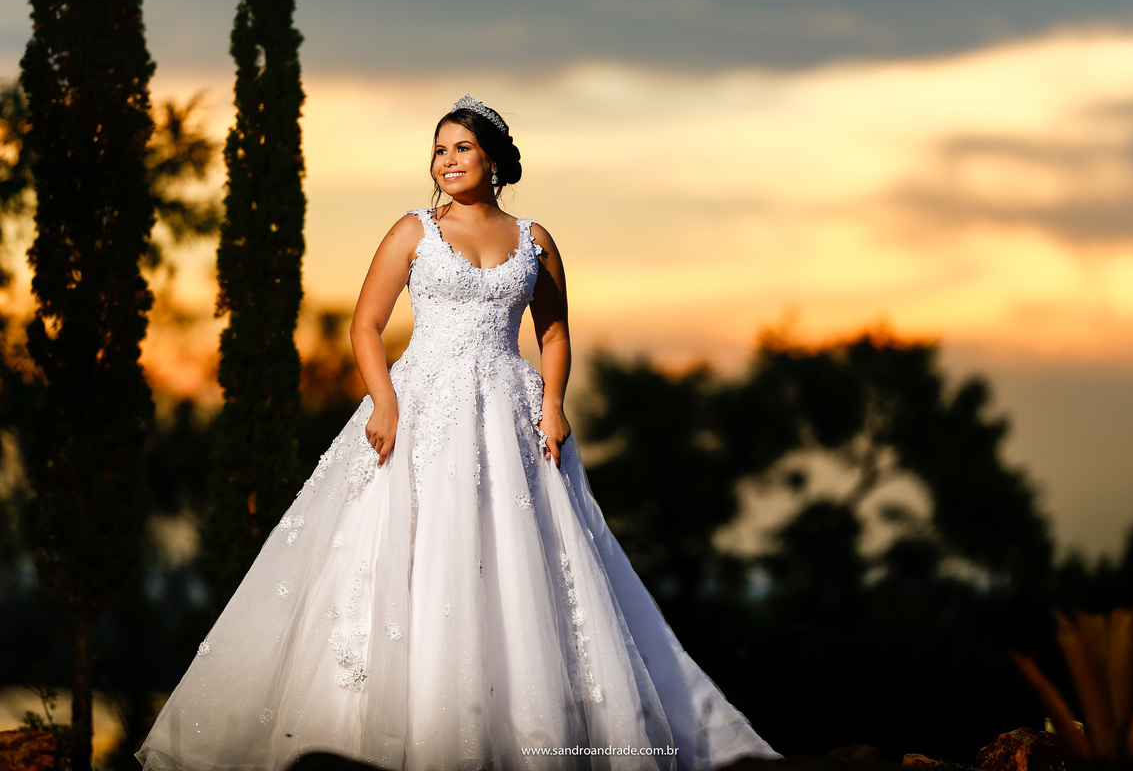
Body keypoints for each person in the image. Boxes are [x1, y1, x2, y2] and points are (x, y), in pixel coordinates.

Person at [136, 95, 781, 771]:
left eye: (461, 148)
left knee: (521, 562)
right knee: (407, 551)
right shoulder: (412, 231)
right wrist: (382, 400)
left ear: (494, 160)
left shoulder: (535, 239)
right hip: (421, 408)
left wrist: (554, 404)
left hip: (511, 413)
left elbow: (554, 332)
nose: (447, 161)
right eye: (439, 150)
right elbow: (365, 326)